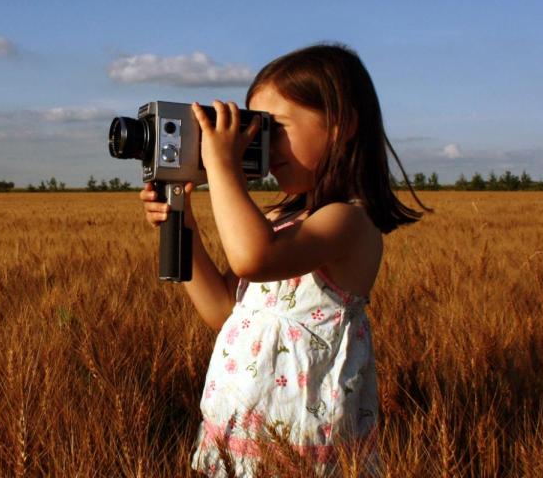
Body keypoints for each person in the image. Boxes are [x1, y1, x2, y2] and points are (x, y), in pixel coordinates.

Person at [140, 43, 429, 476]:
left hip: (303, 441)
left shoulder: (348, 220)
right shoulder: (277, 218)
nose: (263, 143)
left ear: (341, 125)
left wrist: (221, 166)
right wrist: (182, 220)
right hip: (239, 431)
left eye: (274, 126)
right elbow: (222, 309)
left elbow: (254, 258)